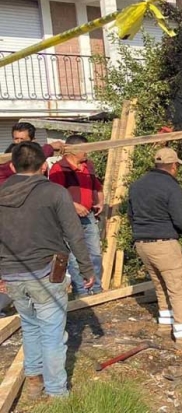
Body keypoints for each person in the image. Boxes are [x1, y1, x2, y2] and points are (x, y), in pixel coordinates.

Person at [0, 142, 94, 398]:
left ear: (11, 166)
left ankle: (34, 380)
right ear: (44, 166)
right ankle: (57, 392)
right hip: (47, 273)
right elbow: (74, 234)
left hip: (12, 275)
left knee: (30, 327)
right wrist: (87, 269)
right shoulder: (55, 193)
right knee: (53, 334)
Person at [127, 148, 182, 351]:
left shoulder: (137, 185)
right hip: (164, 244)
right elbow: (180, 219)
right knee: (177, 287)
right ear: (173, 165)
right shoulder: (171, 186)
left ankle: (165, 325)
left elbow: (131, 216)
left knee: (160, 285)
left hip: (142, 244)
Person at [48, 135, 104, 296]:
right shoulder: (59, 169)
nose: (87, 152)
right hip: (68, 218)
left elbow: (97, 186)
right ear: (74, 150)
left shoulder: (88, 166)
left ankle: (97, 289)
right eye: (85, 149)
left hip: (89, 216)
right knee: (74, 256)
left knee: (95, 253)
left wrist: (99, 201)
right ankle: (82, 291)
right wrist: (75, 206)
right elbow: (56, 194)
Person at [0, 122, 63, 186]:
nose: (19, 142)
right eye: (16, 139)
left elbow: (34, 155)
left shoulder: (37, 153)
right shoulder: (9, 155)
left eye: (22, 139)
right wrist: (50, 147)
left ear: (33, 140)